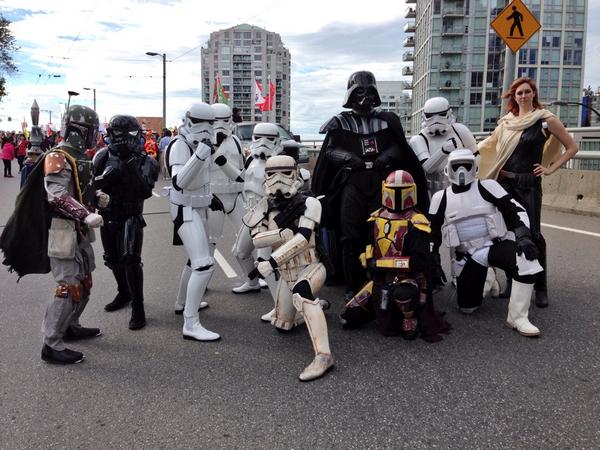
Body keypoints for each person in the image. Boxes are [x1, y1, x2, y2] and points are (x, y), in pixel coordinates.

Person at [1, 105, 106, 363]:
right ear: (79, 130)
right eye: (91, 131)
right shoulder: (58, 156)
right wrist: (84, 214)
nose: (94, 136)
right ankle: (51, 343)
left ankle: (70, 325)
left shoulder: (80, 157)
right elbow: (56, 195)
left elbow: (80, 188)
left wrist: (96, 197)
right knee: (68, 287)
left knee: (84, 282)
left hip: (79, 230)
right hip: (62, 229)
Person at [311, 70, 428, 301]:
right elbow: (330, 151)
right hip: (352, 183)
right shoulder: (340, 122)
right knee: (350, 235)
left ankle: (380, 279)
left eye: (369, 91)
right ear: (351, 94)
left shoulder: (387, 121)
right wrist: (347, 158)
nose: (364, 97)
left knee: (381, 232)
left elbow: (400, 147)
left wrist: (388, 156)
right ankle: (351, 283)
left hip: (381, 184)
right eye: (359, 92)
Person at [478, 77, 578, 307]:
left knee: (533, 234)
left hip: (528, 184)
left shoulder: (544, 120)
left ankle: (540, 288)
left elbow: (572, 147)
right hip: (504, 183)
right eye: (519, 93)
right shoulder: (506, 122)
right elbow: (489, 146)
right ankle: (513, 281)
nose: (523, 96)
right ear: (514, 97)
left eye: (526, 92)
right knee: (508, 234)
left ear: (534, 94)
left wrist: (550, 168)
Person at [429, 149, 543, 337]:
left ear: (475, 168)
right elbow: (432, 232)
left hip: (495, 247)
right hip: (468, 257)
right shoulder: (440, 198)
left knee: (526, 258)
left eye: (466, 166)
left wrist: (523, 236)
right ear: (448, 169)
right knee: (467, 307)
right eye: (457, 167)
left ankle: (517, 317)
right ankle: (488, 276)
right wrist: (432, 259)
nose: (462, 171)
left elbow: (514, 211)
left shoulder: (488, 187)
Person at [247, 155, 334, 381]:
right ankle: (314, 308)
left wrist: (271, 261)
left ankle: (324, 356)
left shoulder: (309, 203)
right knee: (283, 324)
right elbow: (256, 239)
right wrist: (281, 234)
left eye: (285, 173)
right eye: (272, 174)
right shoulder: (264, 205)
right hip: (286, 272)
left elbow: (303, 239)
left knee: (302, 293)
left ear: (295, 174)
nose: (278, 179)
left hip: (310, 266)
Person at [340, 170, 450, 342]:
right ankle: (384, 311)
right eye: (394, 190)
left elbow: (418, 262)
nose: (397, 196)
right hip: (379, 280)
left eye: (402, 191)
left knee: (403, 295)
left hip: (407, 280)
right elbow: (369, 245)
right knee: (349, 317)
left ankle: (409, 318)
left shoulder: (417, 221)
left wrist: (380, 264)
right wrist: (367, 260)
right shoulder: (377, 217)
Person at [93, 115, 159, 330]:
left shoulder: (146, 161)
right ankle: (124, 292)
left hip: (132, 214)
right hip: (108, 214)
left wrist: (130, 166)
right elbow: (88, 186)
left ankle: (138, 307)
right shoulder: (103, 156)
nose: (123, 139)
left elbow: (145, 191)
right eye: (118, 134)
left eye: (128, 133)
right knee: (112, 259)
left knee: (131, 259)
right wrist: (104, 179)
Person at [164, 102, 220, 341]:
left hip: (200, 206)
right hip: (184, 208)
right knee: (203, 264)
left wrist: (211, 198)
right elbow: (179, 182)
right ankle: (191, 323)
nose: (206, 128)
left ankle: (181, 303)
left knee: (194, 260)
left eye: (210, 124)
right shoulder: (180, 145)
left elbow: (202, 179)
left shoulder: (199, 145)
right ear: (188, 121)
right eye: (200, 123)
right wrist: (199, 155)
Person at [231, 123, 282, 297]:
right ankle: (252, 282)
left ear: (277, 141)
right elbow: (241, 178)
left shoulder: (280, 163)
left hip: (269, 215)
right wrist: (222, 163)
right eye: (258, 137)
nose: (263, 142)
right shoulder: (251, 160)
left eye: (269, 138)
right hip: (251, 213)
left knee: (264, 262)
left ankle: (280, 305)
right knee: (240, 252)